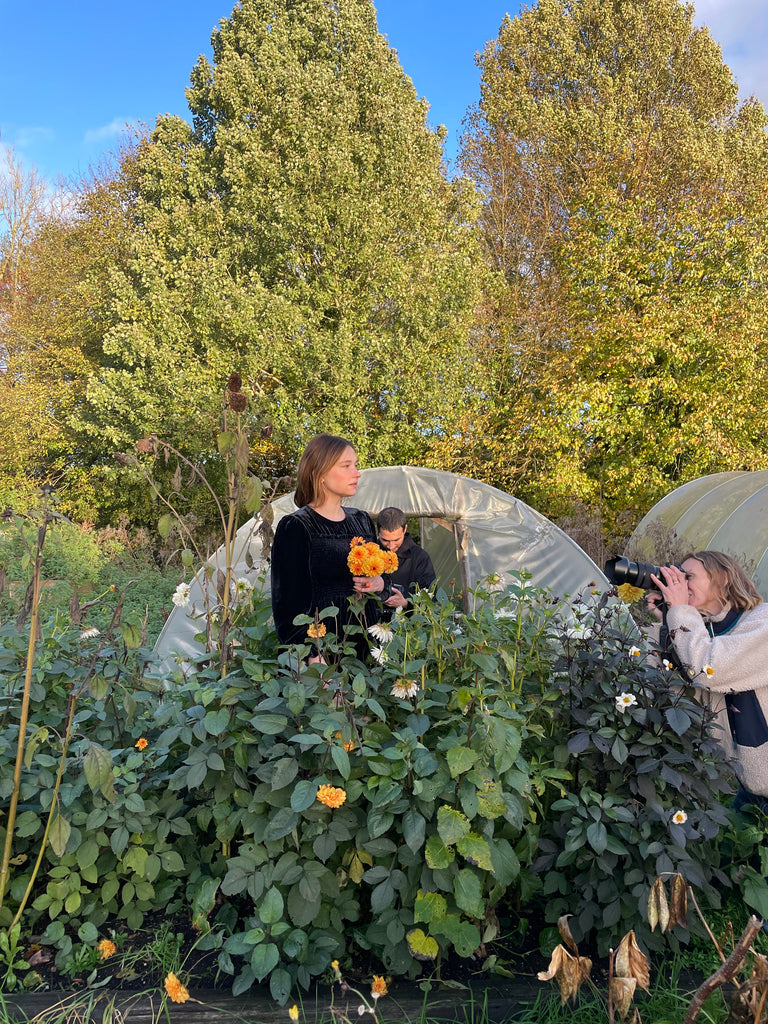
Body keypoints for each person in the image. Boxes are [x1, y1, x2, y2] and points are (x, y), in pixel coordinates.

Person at [649, 551, 768, 810]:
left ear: (724, 578)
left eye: (688, 576)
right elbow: (683, 694)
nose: (680, 583)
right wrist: (668, 627)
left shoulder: (763, 623)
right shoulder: (703, 632)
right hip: (750, 791)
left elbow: (710, 669)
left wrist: (680, 613)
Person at [270, 434, 386, 660]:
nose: (357, 473)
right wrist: (314, 660)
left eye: (356, 465)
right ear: (319, 473)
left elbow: (381, 574)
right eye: (346, 466)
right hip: (325, 654)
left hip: (367, 648)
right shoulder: (297, 526)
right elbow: (287, 607)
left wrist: (380, 583)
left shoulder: (361, 520)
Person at [378, 506, 436, 618]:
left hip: (408, 628)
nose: (391, 546)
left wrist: (405, 604)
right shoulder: (369, 554)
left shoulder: (419, 557)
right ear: (378, 532)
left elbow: (431, 601)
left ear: (405, 529)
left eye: (396, 540)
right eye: (385, 540)